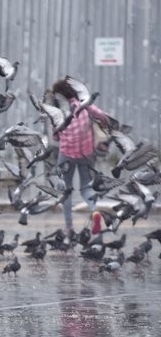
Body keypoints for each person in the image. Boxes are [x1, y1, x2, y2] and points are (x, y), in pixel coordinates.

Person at [50, 79, 109, 235]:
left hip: (67, 154)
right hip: (87, 153)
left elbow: (56, 135)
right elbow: (103, 116)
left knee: (66, 190)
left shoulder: (58, 111)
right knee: (86, 187)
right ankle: (95, 212)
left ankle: (69, 227)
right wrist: (101, 126)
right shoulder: (85, 105)